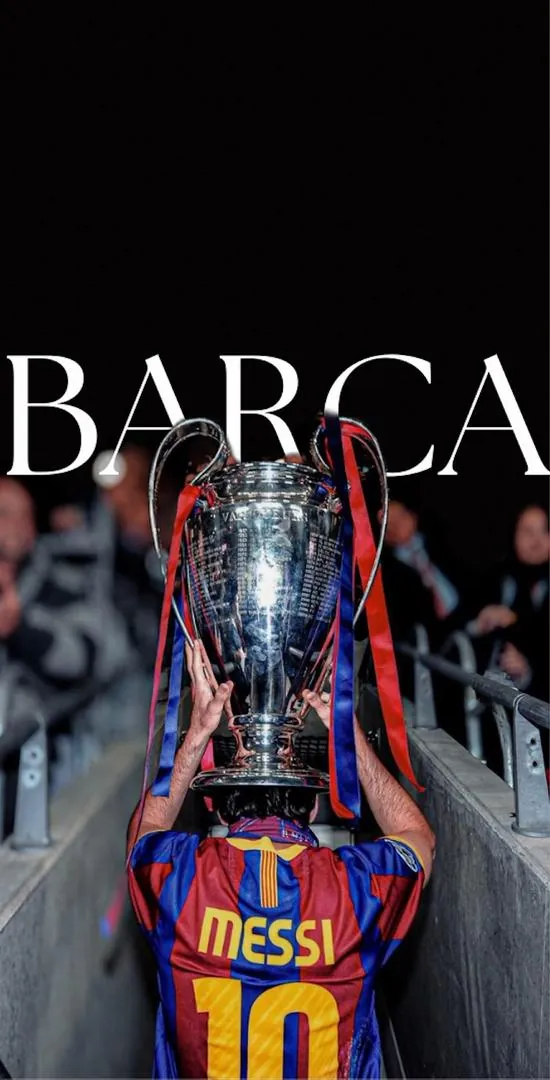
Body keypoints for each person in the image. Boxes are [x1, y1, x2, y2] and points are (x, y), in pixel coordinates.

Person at [127, 640, 435, 1079]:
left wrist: (196, 734)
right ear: (312, 807)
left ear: (220, 810)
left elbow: (144, 834)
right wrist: (350, 739)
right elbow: (418, 837)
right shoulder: (356, 890)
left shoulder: (181, 880)